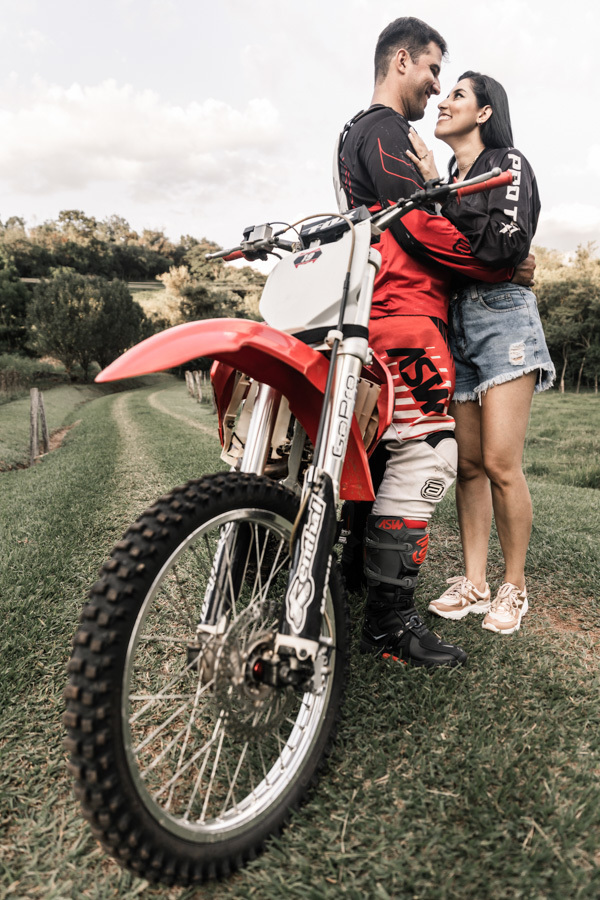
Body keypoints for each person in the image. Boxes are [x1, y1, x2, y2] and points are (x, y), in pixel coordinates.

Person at [334, 18, 535, 667]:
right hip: (406, 311)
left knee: (385, 455)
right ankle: (390, 626)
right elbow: (419, 227)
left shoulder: (353, 135)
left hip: (381, 307)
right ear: (401, 60)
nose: (436, 85)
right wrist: (500, 265)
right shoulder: (385, 130)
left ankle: (357, 582)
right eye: (432, 69)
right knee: (427, 457)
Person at [406, 72, 555, 634]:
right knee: (467, 465)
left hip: (504, 316)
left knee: (499, 463)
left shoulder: (507, 164)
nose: (444, 103)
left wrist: (443, 197)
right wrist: (438, 190)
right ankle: (474, 582)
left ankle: (514, 588)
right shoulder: (446, 179)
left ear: (486, 112)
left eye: (458, 96)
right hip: (457, 320)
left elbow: (505, 246)